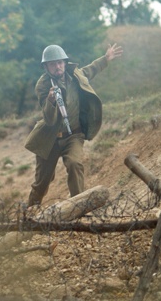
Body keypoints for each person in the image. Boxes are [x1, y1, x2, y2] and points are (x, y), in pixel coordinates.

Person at [24, 43, 123, 206]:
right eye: (52, 64)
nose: (57, 67)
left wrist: (106, 58)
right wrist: (50, 100)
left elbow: (90, 69)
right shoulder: (43, 85)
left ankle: (78, 207)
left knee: (75, 164)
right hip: (50, 139)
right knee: (42, 182)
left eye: (60, 62)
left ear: (64, 62)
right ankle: (29, 213)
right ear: (46, 67)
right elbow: (49, 119)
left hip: (74, 135)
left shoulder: (75, 75)